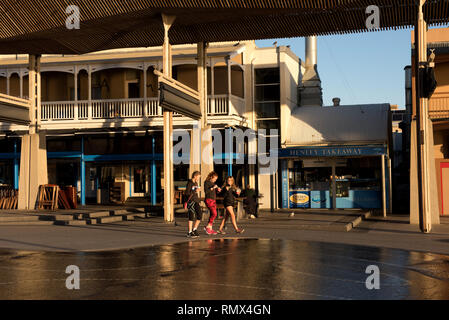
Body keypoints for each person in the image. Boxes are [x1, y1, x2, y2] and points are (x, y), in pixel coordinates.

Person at [185, 171, 202, 238]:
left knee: (199, 215)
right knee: (191, 216)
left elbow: (195, 192)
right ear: (195, 176)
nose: (198, 178)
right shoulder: (189, 183)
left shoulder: (196, 183)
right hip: (191, 201)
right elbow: (187, 193)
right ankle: (189, 232)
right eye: (198, 177)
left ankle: (194, 229)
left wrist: (197, 191)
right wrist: (195, 191)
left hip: (196, 200)